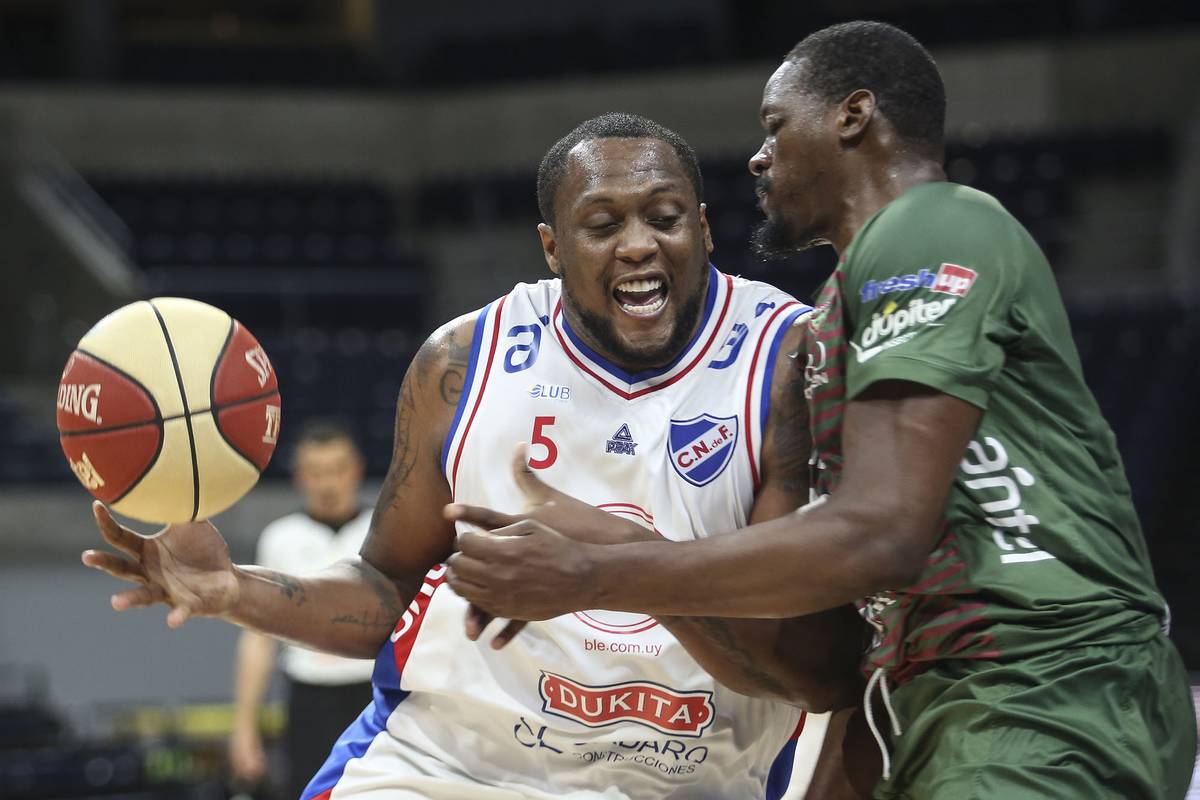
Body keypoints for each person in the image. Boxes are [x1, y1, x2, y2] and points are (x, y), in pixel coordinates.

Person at [443, 22, 1199, 800]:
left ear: (853, 115)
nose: (758, 157)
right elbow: (839, 626)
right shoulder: (833, 316)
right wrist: (619, 550)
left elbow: (880, 534)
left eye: (775, 127)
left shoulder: (930, 224)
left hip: (1046, 685)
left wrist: (596, 572)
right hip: (938, 701)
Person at [82, 113, 868, 799]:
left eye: (664, 217)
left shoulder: (785, 359)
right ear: (552, 247)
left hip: (687, 776)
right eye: (602, 225)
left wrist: (615, 567)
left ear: (703, 225)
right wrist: (231, 590)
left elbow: (807, 666)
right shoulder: (463, 362)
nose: (638, 246)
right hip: (451, 766)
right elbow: (384, 589)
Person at [229, 422, 374, 800]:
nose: (328, 483)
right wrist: (245, 727)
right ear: (300, 477)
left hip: (376, 695)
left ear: (356, 471)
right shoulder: (281, 538)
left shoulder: (384, 532)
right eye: (317, 472)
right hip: (310, 697)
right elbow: (258, 638)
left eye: (337, 470)